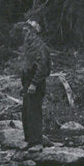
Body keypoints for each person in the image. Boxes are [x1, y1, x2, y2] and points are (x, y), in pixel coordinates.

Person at [19, 19, 51, 150]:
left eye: (27, 30)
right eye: (24, 30)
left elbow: (43, 66)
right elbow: (26, 67)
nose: (24, 33)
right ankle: (30, 140)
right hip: (28, 84)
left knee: (34, 112)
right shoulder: (29, 46)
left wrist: (34, 83)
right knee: (26, 112)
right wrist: (24, 85)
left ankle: (37, 142)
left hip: (35, 84)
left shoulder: (39, 46)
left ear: (34, 32)